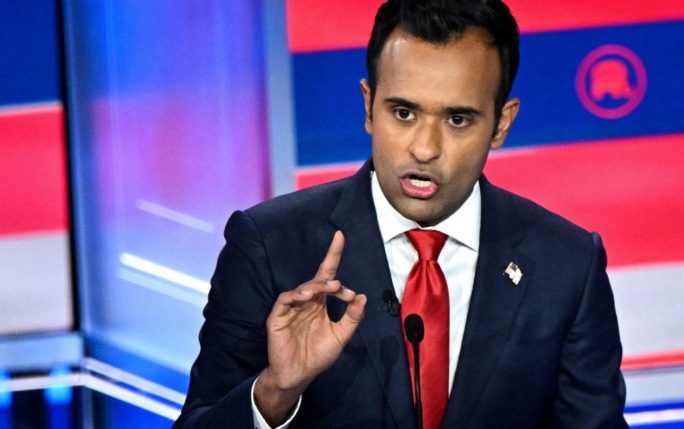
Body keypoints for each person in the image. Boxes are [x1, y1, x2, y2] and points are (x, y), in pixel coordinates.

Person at [174, 0, 627, 428]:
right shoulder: (270, 246)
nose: (424, 149)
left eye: (458, 120)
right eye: (404, 112)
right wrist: (275, 393)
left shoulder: (565, 264)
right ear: (369, 106)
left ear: (502, 123)